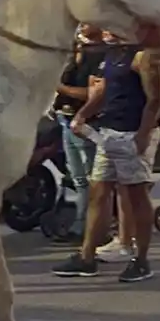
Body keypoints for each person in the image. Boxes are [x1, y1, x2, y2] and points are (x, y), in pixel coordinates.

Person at [52, 34, 160, 283]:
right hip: (109, 133)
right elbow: (103, 91)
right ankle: (87, 257)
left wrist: (144, 133)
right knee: (98, 192)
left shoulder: (143, 55)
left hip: (132, 133)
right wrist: (83, 115)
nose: (107, 30)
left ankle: (141, 260)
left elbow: (156, 98)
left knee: (136, 195)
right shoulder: (111, 54)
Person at [50, 25, 107, 245]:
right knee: (79, 179)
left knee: (93, 180)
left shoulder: (101, 54)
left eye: (87, 22)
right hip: (66, 119)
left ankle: (88, 228)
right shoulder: (74, 52)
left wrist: (60, 88)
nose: (82, 25)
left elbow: (92, 94)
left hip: (87, 122)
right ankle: (83, 224)